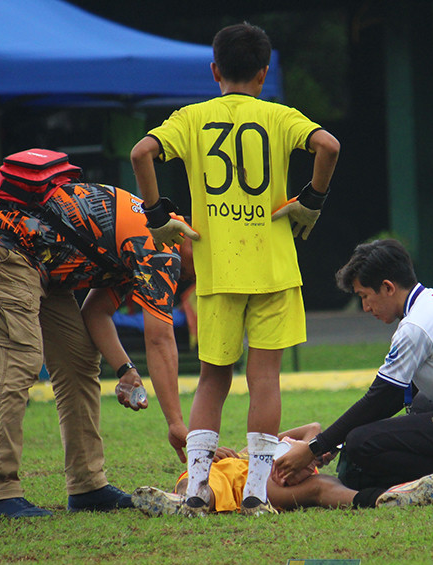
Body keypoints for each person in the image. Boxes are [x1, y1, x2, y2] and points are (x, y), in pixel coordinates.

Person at [130, 22, 340, 517]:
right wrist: (311, 200)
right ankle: (256, 493)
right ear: (264, 73)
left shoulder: (191, 117)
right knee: (264, 378)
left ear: (215, 70)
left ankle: (199, 490)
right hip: (272, 268)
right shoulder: (279, 115)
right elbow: (328, 146)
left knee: (211, 378)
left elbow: (142, 153)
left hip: (216, 267)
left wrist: (158, 217)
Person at [0, 150, 188, 519]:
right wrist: (176, 424)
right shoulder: (163, 247)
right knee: (17, 359)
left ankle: (87, 485)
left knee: (78, 359)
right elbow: (160, 338)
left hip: (43, 263)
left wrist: (126, 370)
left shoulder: (139, 250)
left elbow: (96, 313)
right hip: (2, 242)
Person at [273, 239, 433, 503]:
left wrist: (315, 447)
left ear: (387, 287)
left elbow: (381, 398)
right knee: (417, 407)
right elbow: (399, 394)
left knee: (361, 445)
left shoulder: (415, 327)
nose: (365, 308)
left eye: (365, 296)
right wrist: (332, 445)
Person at [131, 423, 433, 516]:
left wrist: (309, 461)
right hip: (234, 470)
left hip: (260, 488)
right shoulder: (278, 445)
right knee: (204, 482)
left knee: (320, 486)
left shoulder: (310, 475)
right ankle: (178, 503)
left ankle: (387, 497)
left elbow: (315, 477)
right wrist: (310, 449)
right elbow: (312, 427)